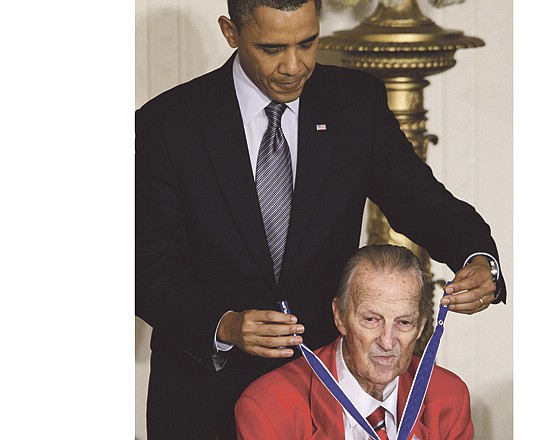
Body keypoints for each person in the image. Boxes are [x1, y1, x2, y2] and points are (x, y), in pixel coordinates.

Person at [135, 0, 506, 437]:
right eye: (272, 49)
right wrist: (224, 324)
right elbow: (145, 269)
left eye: (307, 43)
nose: (294, 66)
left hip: (321, 397)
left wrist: (479, 257)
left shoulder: (354, 103)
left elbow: (420, 199)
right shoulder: (167, 124)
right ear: (231, 33)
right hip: (203, 398)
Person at [235, 244, 474, 439]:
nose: (388, 342)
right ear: (340, 316)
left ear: (421, 325)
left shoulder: (449, 397)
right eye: (371, 319)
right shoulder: (267, 407)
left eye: (404, 323)